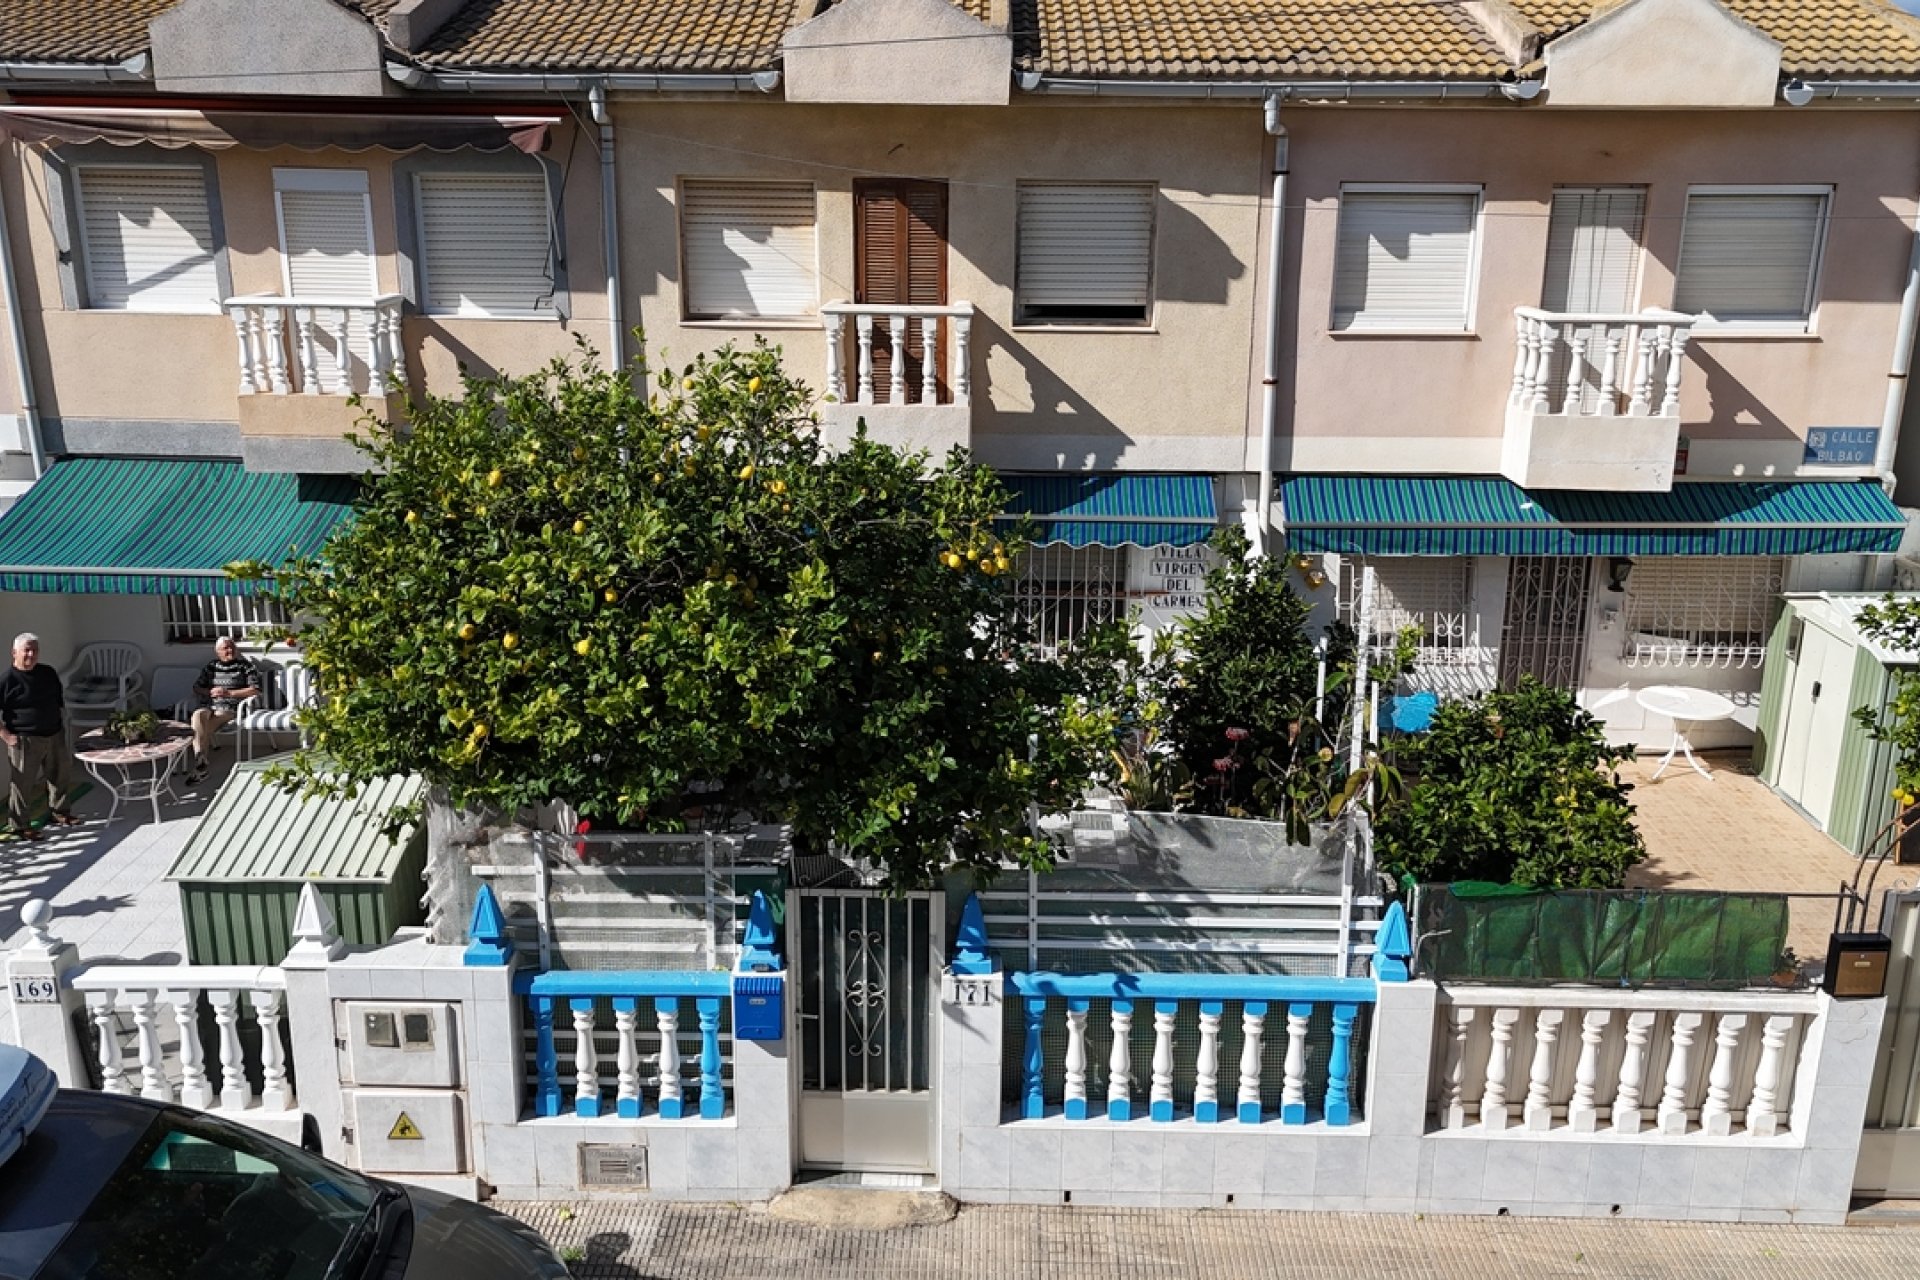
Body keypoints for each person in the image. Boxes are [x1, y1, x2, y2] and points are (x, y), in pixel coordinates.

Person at [0, 633, 79, 839]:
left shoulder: (47, 672)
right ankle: (20, 825)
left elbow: (58, 697)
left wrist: (60, 721)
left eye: (34, 650)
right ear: (14, 653)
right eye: (26, 650)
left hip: (54, 733)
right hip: (25, 739)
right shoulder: (6, 681)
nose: (31, 654)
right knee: (23, 784)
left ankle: (61, 813)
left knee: (60, 775)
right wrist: (6, 736)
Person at [188, 636, 260, 783]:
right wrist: (210, 692)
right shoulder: (211, 666)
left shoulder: (245, 666)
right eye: (226, 648)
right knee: (197, 715)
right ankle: (200, 758)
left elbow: (255, 690)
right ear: (217, 652)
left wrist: (229, 693)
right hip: (210, 705)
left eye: (232, 647)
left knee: (204, 727)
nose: (230, 650)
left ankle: (200, 764)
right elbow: (196, 687)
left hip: (231, 707)